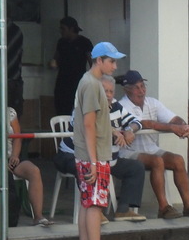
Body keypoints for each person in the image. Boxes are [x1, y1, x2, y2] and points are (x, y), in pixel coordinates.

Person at [54, 75, 148, 222]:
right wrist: (112, 130)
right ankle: (95, 211)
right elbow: (88, 127)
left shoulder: (116, 106)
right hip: (73, 156)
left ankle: (123, 210)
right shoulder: (84, 105)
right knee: (88, 169)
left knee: (136, 168)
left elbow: (136, 121)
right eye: (105, 91)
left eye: (111, 91)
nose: (109, 95)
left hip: (107, 159)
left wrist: (130, 129)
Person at [118, 70, 189, 219]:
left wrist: (182, 125)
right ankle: (164, 208)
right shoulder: (121, 106)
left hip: (151, 149)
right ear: (126, 90)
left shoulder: (152, 102)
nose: (141, 91)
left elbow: (173, 118)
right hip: (128, 152)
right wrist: (173, 128)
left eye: (143, 86)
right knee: (157, 161)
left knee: (178, 160)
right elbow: (145, 124)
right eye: (136, 88)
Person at [72, 41, 125, 240]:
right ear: (99, 60)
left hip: (86, 153)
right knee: (95, 205)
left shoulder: (87, 82)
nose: (114, 65)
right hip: (93, 154)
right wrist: (94, 161)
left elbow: (92, 122)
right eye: (111, 61)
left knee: (87, 204)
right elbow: (89, 123)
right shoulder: (93, 85)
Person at [6, 107, 54, 227]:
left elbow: (18, 137)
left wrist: (15, 155)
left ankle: (38, 217)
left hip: (11, 156)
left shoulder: (10, 112)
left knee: (34, 171)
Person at [51, 16, 93, 116]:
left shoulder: (84, 42)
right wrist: (53, 63)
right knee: (61, 109)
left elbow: (92, 63)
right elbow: (55, 59)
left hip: (78, 82)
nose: (61, 31)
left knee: (77, 109)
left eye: (63, 29)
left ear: (72, 29)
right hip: (62, 82)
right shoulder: (61, 42)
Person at [7, 21, 25, 117]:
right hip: (15, 78)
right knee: (15, 113)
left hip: (9, 79)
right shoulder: (17, 31)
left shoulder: (1, 31)